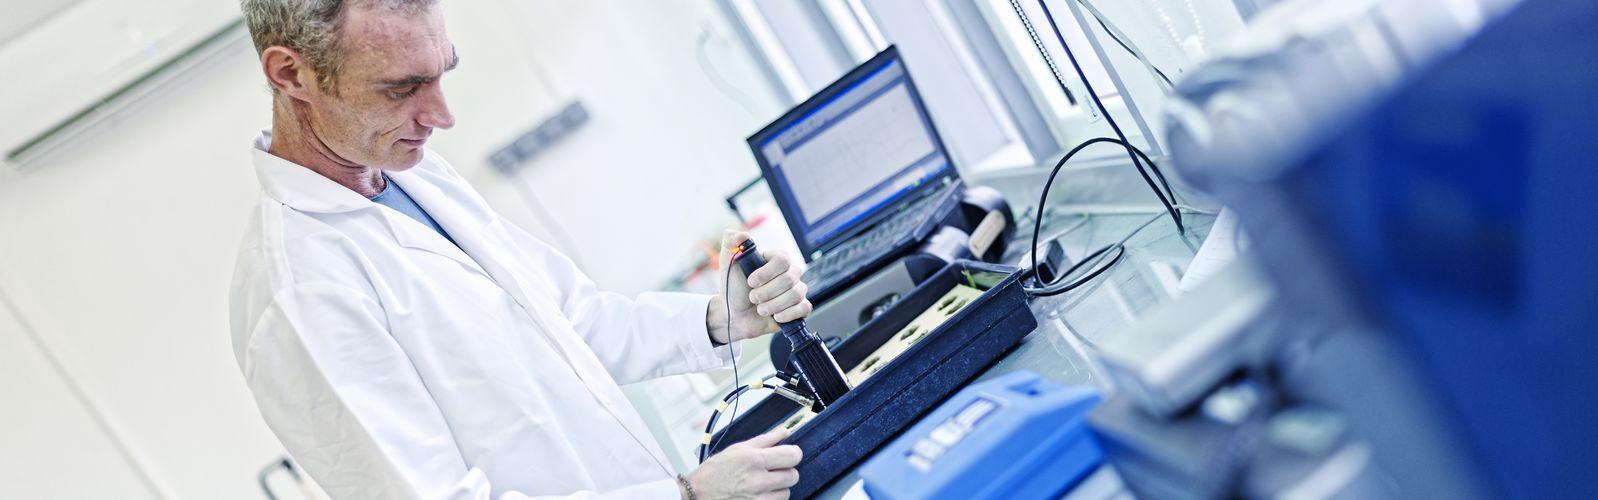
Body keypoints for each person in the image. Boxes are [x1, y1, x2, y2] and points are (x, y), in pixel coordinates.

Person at [228, 1, 810, 498]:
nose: (441, 116)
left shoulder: (413, 174)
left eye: (439, 75)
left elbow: (571, 322)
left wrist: (720, 320)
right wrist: (685, 495)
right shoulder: (300, 291)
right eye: (401, 88)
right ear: (290, 74)